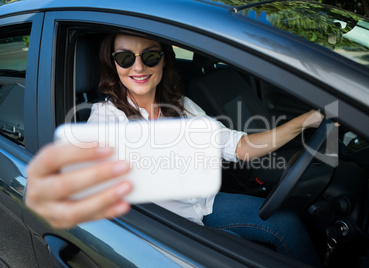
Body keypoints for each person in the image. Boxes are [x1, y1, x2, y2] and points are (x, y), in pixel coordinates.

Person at [26, 34, 323, 266]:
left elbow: (242, 147)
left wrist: (307, 120)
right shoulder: (106, 118)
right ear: (114, 65)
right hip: (167, 225)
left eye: (150, 56)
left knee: (288, 224)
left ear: (164, 60)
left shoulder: (181, 107)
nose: (138, 67)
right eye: (126, 58)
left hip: (202, 204)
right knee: (243, 256)